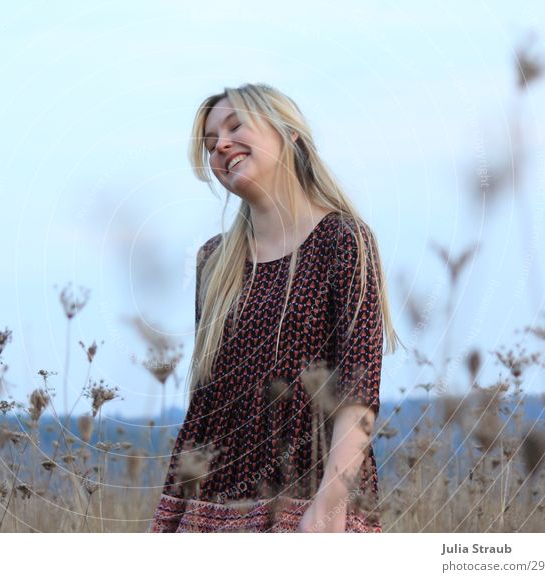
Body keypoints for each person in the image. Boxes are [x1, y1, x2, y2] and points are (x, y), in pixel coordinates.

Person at [149, 83, 400, 533]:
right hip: (209, 506)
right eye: (210, 145)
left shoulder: (343, 241)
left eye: (234, 126)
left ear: (290, 134)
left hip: (307, 497)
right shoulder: (214, 262)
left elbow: (359, 395)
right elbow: (208, 400)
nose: (220, 146)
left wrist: (327, 508)